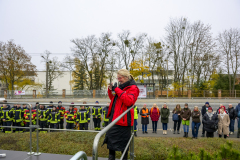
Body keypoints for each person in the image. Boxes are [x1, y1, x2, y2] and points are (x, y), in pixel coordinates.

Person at [103, 69, 139, 160]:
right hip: (114, 119)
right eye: (117, 78)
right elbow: (113, 99)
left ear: (126, 77)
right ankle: (111, 158)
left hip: (124, 122)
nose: (118, 80)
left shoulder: (133, 88)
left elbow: (128, 101)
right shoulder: (121, 87)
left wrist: (117, 90)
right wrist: (110, 90)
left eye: (120, 78)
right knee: (111, 146)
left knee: (124, 147)